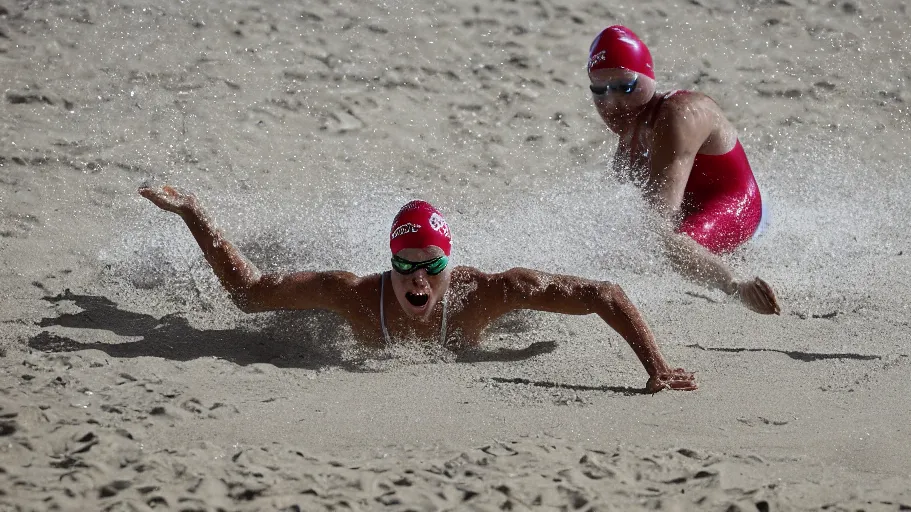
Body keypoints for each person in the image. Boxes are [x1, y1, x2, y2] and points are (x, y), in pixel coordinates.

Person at [138, 185, 697, 393]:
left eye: (431, 265)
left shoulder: (487, 292)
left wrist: (657, 366)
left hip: (488, 322)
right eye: (405, 267)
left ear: (450, 263)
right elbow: (249, 290)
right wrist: (191, 211)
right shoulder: (355, 294)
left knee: (532, 310)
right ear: (390, 263)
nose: (418, 279)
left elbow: (605, 294)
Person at [586, 25, 781, 315]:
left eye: (625, 87)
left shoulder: (677, 114)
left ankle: (736, 284)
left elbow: (659, 215)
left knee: (671, 245)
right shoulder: (629, 137)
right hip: (693, 212)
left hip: (737, 206)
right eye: (599, 90)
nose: (611, 102)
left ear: (649, 78)